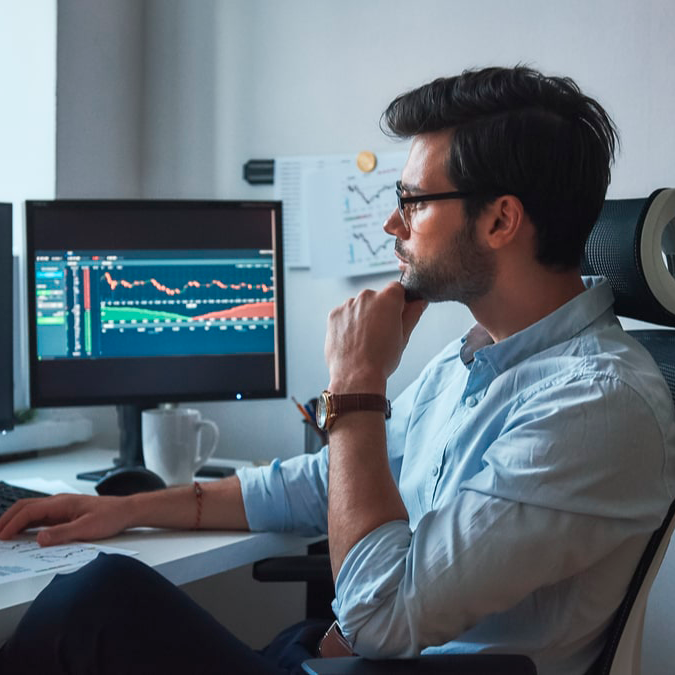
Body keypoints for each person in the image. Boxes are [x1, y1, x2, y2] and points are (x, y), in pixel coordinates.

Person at [1, 65, 674, 675]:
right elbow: (320, 483)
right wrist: (123, 508)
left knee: (98, 600)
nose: (390, 222)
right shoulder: (472, 358)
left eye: (412, 199)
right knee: (100, 597)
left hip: (384, 665)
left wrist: (356, 387)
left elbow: (376, 617)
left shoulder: (594, 404)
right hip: (327, 655)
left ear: (499, 219)